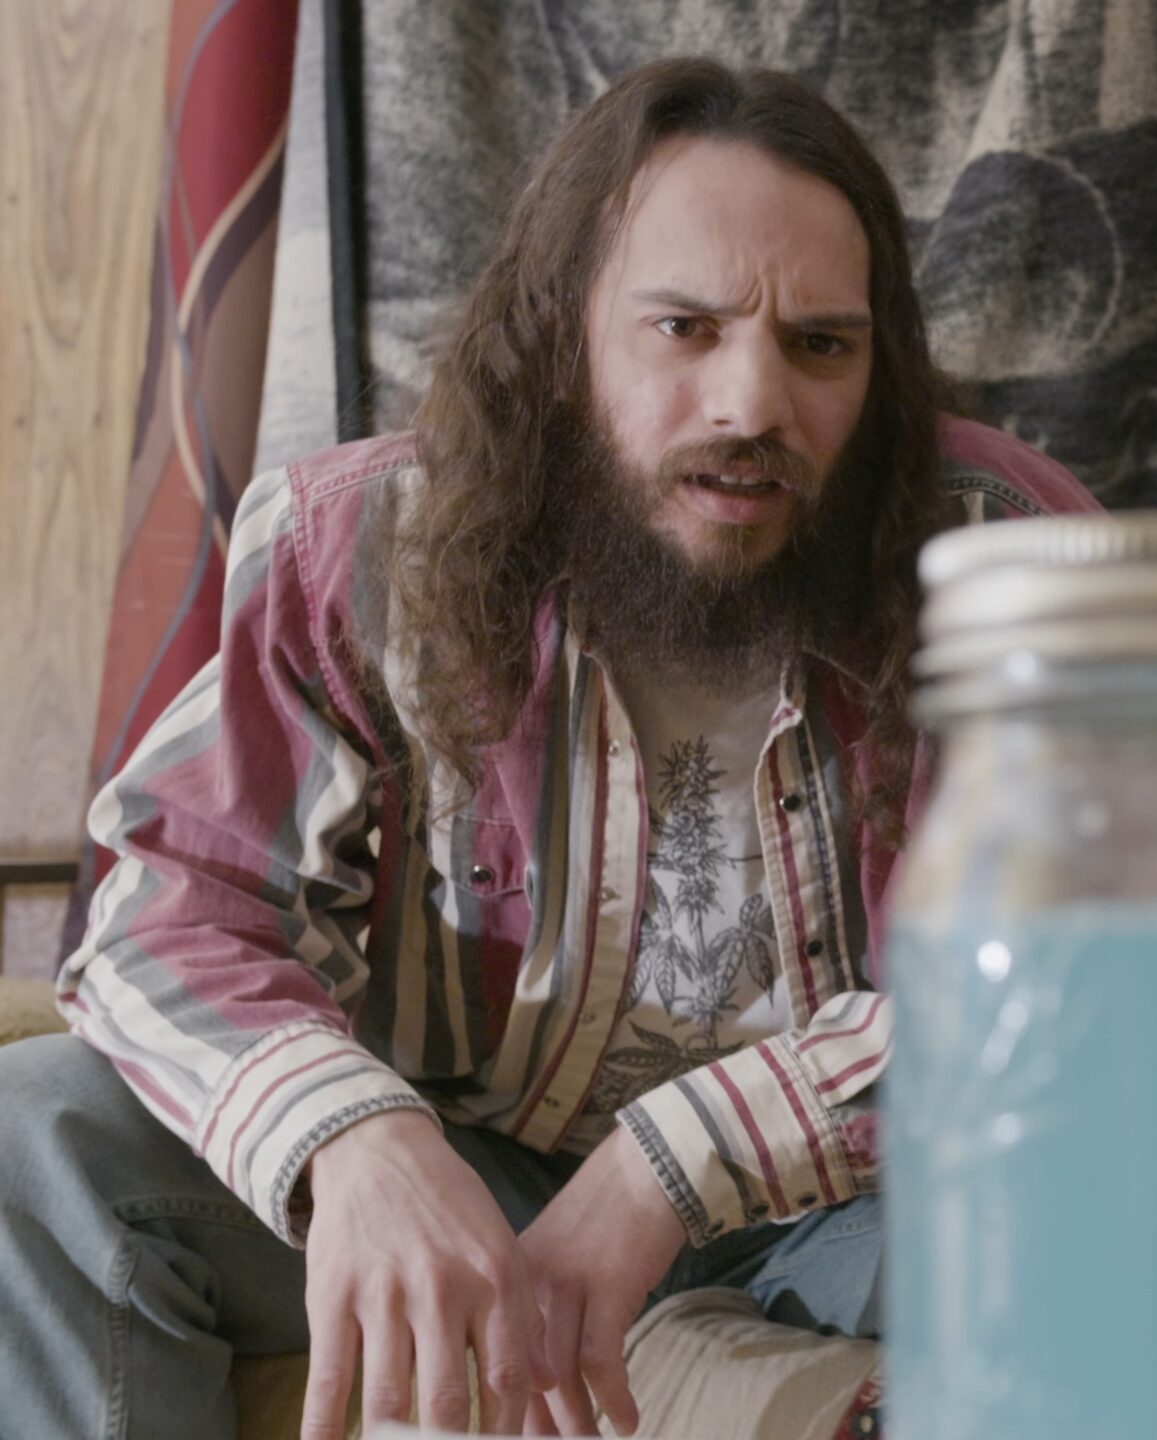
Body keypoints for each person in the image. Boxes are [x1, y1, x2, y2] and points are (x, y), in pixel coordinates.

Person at [1, 58, 1096, 1439]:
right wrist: (354, 1136)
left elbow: (1089, 958)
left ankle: (707, 1349)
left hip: (860, 1219)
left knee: (1128, 1183)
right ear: (563, 331)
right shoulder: (362, 554)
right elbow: (170, 899)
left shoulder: (1009, 554)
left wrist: (668, 1168)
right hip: (476, 1192)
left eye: (822, 345)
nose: (752, 402)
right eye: (684, 328)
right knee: (29, 1139)